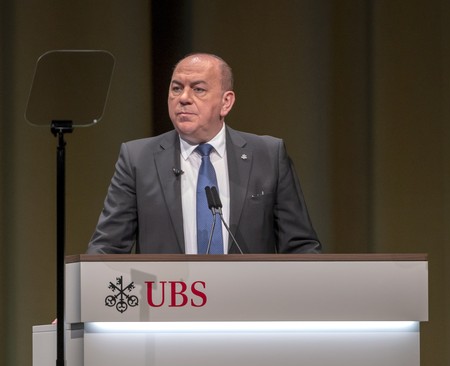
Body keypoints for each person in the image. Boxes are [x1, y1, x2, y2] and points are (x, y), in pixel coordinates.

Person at [87, 53, 321, 254]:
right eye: (176, 88)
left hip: (249, 301)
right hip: (168, 301)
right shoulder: (138, 158)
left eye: (198, 89)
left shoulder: (268, 156)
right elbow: (107, 248)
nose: (184, 98)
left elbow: (301, 246)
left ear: (226, 102)